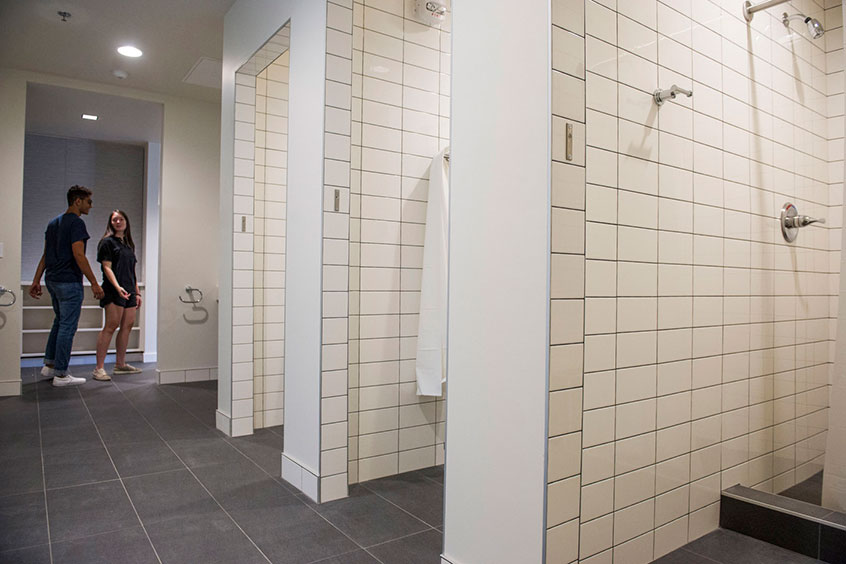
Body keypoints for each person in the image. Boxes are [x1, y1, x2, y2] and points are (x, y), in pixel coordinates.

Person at [29, 185, 105, 387]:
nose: (91, 205)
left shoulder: (53, 223)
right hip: (69, 281)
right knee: (67, 327)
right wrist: (95, 283)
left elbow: (46, 255)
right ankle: (61, 375)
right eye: (89, 201)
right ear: (77, 201)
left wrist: (36, 280)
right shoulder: (77, 224)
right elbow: (78, 255)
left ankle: (50, 365)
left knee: (59, 322)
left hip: (52, 280)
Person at [92, 210, 142, 380]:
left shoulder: (128, 245)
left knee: (127, 326)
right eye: (115, 220)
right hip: (114, 290)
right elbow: (106, 267)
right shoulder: (107, 242)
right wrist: (117, 286)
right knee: (111, 326)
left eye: (121, 219)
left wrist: (137, 292)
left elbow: (132, 270)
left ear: (126, 222)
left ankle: (120, 364)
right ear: (110, 223)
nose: (118, 222)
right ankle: (98, 368)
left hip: (129, 290)